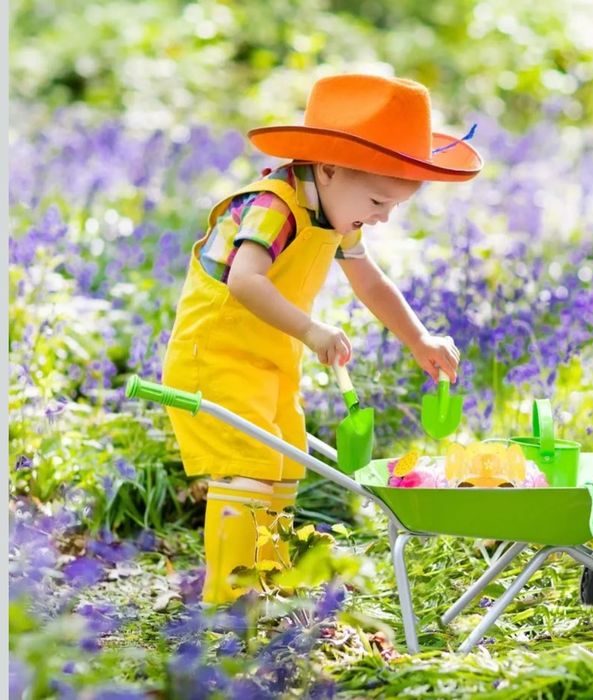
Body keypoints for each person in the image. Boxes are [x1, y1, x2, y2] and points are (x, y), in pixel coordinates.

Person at [161, 73, 483, 604]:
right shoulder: (274, 205)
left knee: (284, 470)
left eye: (393, 208)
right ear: (329, 168)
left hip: (269, 361)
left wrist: (419, 338)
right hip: (214, 358)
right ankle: (227, 602)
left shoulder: (334, 207)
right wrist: (312, 330)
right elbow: (244, 280)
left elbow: (370, 281)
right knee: (247, 472)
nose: (381, 217)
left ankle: (264, 586)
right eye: (379, 201)